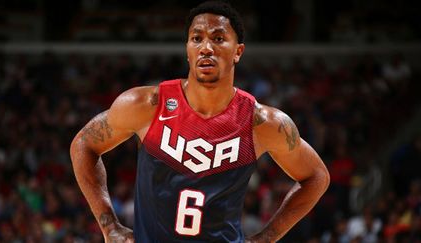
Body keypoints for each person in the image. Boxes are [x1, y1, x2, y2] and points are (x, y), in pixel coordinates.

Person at [70, 1, 330, 242]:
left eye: (218, 38)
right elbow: (83, 143)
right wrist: (109, 226)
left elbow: (316, 177)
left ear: (238, 51)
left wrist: (266, 238)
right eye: (197, 38)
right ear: (187, 49)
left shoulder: (262, 123)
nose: (206, 47)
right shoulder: (146, 105)